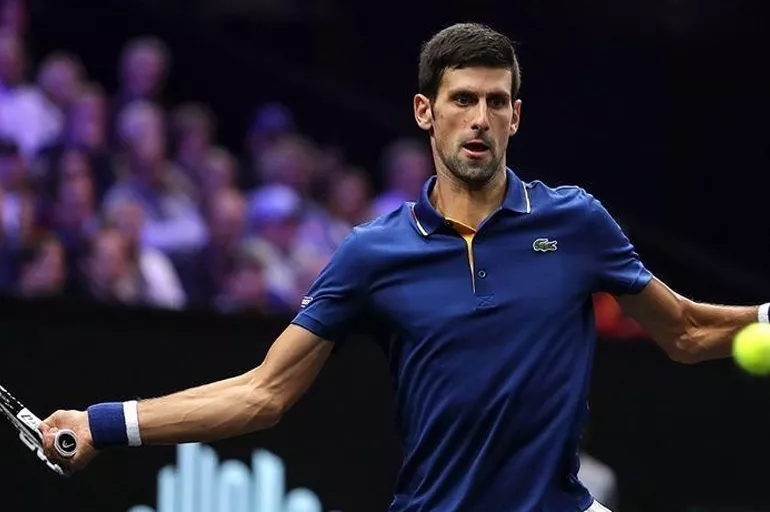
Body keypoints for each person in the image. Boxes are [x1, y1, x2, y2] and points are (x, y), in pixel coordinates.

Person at [39, 23, 767, 512]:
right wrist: (105, 425)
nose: (479, 118)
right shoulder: (373, 253)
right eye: (462, 100)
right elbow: (262, 393)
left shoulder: (575, 222)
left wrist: (765, 317)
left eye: (496, 102)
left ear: (516, 117)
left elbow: (684, 331)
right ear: (425, 111)